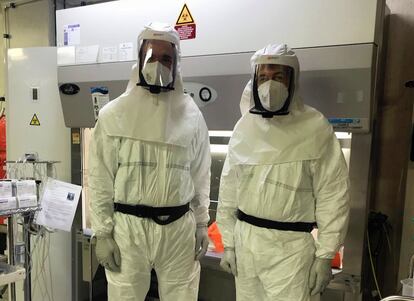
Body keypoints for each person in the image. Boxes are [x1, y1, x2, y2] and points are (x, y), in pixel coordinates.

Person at [216, 44, 350, 301]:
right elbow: (230, 189)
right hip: (247, 243)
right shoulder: (245, 128)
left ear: (292, 80)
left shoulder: (314, 127)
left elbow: (333, 195)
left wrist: (324, 255)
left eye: (278, 77)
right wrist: (229, 243)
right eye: (263, 77)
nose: (269, 85)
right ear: (254, 81)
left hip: (291, 250)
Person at [88, 22, 211, 301]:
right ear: (139, 58)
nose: (158, 65)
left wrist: (202, 224)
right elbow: (100, 178)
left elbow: (200, 174)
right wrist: (103, 232)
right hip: (128, 231)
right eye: (151, 57)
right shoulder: (114, 114)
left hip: (179, 229)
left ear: (177, 63)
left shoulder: (191, 116)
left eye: (166, 58)